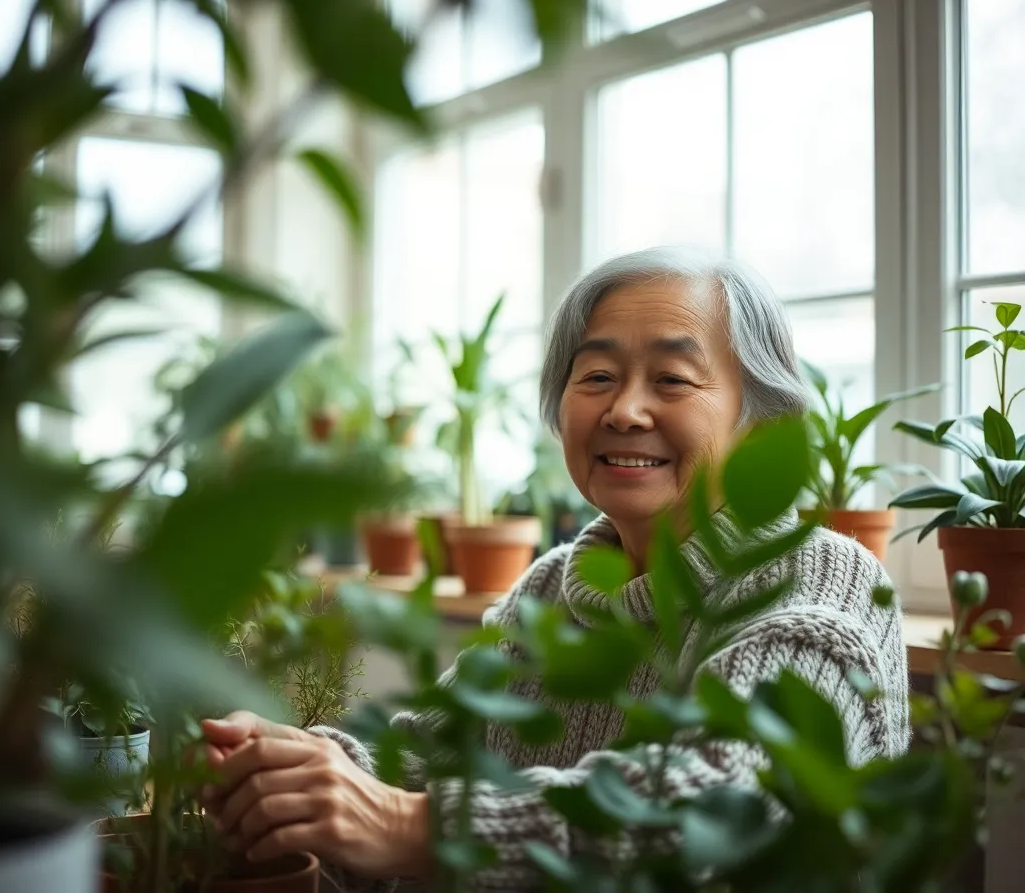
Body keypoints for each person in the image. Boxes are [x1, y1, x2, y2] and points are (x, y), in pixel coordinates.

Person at [197, 246, 911, 890]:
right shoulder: (553, 587)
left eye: (672, 378)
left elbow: (723, 806)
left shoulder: (821, 581)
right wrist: (299, 762)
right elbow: (435, 750)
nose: (626, 410)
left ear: (762, 425)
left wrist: (414, 828)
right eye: (597, 375)